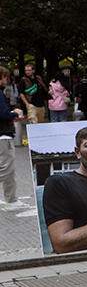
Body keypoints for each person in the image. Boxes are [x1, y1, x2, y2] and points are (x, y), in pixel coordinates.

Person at [0, 67, 24, 210]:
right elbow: (2, 113)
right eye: (5, 77)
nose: (6, 80)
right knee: (6, 169)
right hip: (3, 136)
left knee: (10, 168)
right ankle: (11, 200)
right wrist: (14, 114)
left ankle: (12, 200)